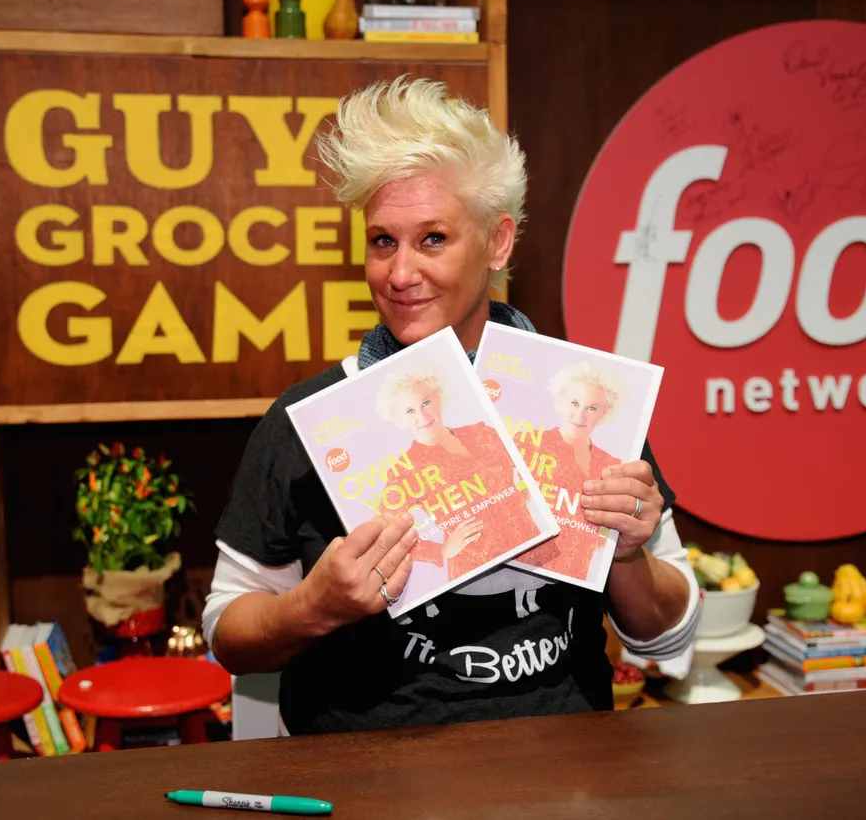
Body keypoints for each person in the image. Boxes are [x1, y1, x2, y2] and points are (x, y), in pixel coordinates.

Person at [203, 76, 699, 736]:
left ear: (497, 243)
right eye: (383, 240)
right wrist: (314, 607)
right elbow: (228, 636)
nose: (400, 273)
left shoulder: (579, 399)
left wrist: (628, 556)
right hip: (365, 781)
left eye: (432, 238)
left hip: (565, 771)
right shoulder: (313, 421)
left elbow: (667, 639)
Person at [373, 365, 540, 583]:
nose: (422, 415)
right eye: (410, 411)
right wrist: (441, 550)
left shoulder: (482, 433)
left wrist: (526, 492)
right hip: (478, 576)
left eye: (426, 402)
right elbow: (386, 536)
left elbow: (533, 460)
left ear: (438, 397)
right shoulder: (405, 470)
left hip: (533, 552)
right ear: (399, 418)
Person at [514, 361, 625, 581]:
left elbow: (604, 536)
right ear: (560, 401)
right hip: (519, 576)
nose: (580, 415)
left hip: (577, 581)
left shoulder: (612, 465)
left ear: (605, 412)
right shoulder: (526, 444)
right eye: (574, 403)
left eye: (591, 408)